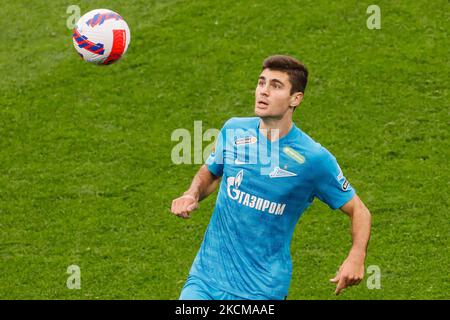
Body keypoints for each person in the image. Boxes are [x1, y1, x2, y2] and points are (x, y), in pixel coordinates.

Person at [171, 55, 372, 300]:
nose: (263, 92)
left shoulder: (313, 159)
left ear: (295, 99)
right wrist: (191, 194)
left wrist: (356, 256)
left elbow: (359, 210)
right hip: (204, 279)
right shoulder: (234, 130)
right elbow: (212, 171)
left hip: (261, 291)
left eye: (275, 86)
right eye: (261, 82)